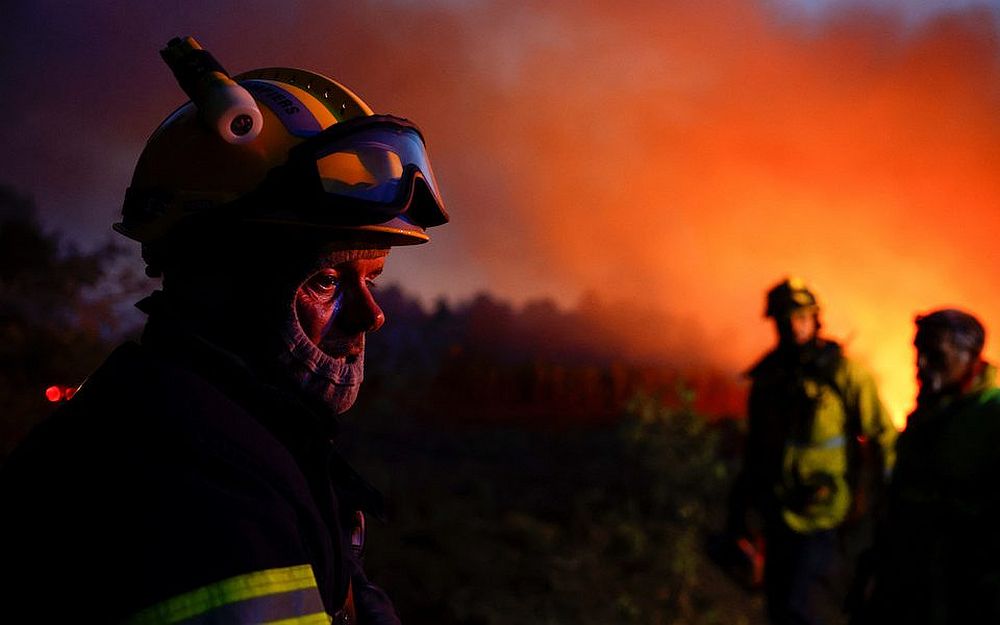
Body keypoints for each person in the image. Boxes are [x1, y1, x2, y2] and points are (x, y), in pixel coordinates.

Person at [0, 37, 447, 624]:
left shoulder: (250, 440)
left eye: (374, 278)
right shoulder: (192, 485)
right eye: (326, 282)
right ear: (220, 281)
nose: (372, 315)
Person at [727, 277, 896, 625]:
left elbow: (882, 436)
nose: (794, 326)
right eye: (785, 318)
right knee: (780, 610)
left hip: (826, 518)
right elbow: (755, 448)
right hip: (778, 515)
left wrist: (887, 501)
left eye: (801, 317)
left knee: (805, 610)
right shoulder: (768, 378)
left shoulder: (843, 373)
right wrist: (741, 511)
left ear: (816, 319)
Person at [856, 309, 1000, 624]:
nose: (921, 365)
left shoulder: (992, 413)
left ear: (970, 357)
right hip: (910, 578)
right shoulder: (929, 413)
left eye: (936, 355)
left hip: (964, 587)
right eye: (919, 353)